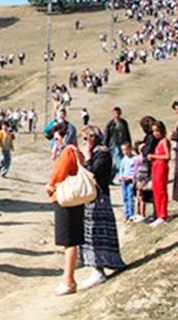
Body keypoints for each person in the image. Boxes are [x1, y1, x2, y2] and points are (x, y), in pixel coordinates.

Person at [78, 127, 126, 288]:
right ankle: (95, 267)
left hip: (99, 199)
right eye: (83, 139)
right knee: (89, 233)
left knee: (96, 233)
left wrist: (87, 158)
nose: (85, 142)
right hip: (89, 197)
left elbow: (94, 173)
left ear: (95, 137)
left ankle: (99, 270)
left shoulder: (103, 154)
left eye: (87, 138)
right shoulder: (95, 153)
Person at [46, 124, 85, 295]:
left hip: (65, 198)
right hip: (73, 199)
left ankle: (69, 280)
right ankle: (68, 279)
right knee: (71, 240)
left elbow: (58, 174)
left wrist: (50, 186)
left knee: (69, 241)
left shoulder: (68, 151)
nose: (56, 142)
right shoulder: (76, 151)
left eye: (57, 138)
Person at [148, 121, 171, 227]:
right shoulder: (159, 142)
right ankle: (159, 214)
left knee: (161, 190)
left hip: (161, 167)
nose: (155, 133)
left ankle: (163, 214)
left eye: (157, 131)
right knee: (156, 190)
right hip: (156, 167)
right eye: (154, 131)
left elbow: (167, 156)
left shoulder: (165, 141)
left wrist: (153, 156)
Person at [104, 107, 131, 178]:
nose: (117, 115)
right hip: (114, 144)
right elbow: (106, 135)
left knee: (119, 160)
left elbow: (127, 133)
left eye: (118, 113)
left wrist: (129, 143)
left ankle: (110, 178)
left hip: (123, 143)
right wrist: (105, 145)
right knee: (118, 157)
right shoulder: (110, 124)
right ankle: (123, 175)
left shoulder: (124, 122)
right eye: (115, 113)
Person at [117, 142, 136, 221]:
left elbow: (135, 170)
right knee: (125, 197)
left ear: (130, 149)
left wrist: (131, 177)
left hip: (130, 181)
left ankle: (131, 213)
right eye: (123, 150)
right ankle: (126, 213)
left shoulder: (134, 159)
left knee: (130, 196)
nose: (124, 152)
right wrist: (121, 177)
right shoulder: (124, 159)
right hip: (124, 181)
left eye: (126, 150)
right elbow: (121, 169)